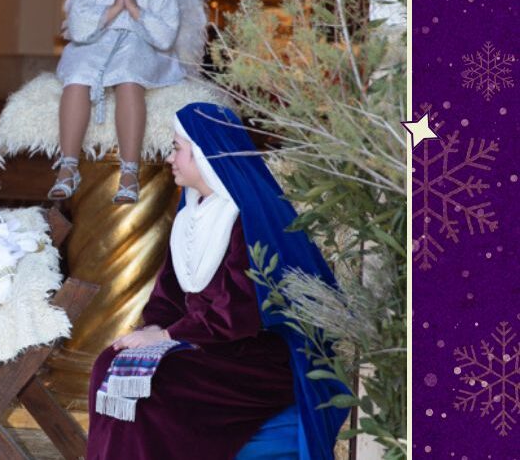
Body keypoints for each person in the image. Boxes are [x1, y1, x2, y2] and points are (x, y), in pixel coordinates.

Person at [85, 102, 350, 460]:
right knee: (109, 362)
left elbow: (237, 312)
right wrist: (154, 328)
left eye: (178, 148)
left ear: (205, 155)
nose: (170, 159)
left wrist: (164, 337)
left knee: (159, 383)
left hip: (255, 357)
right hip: (204, 343)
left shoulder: (245, 220)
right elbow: (168, 295)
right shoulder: (190, 214)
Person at [50, 0, 185, 204]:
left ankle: (129, 170)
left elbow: (165, 37)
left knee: (128, 75)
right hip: (96, 44)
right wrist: (112, 10)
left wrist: (135, 10)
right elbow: (77, 28)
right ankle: (68, 165)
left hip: (142, 46)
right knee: (78, 76)